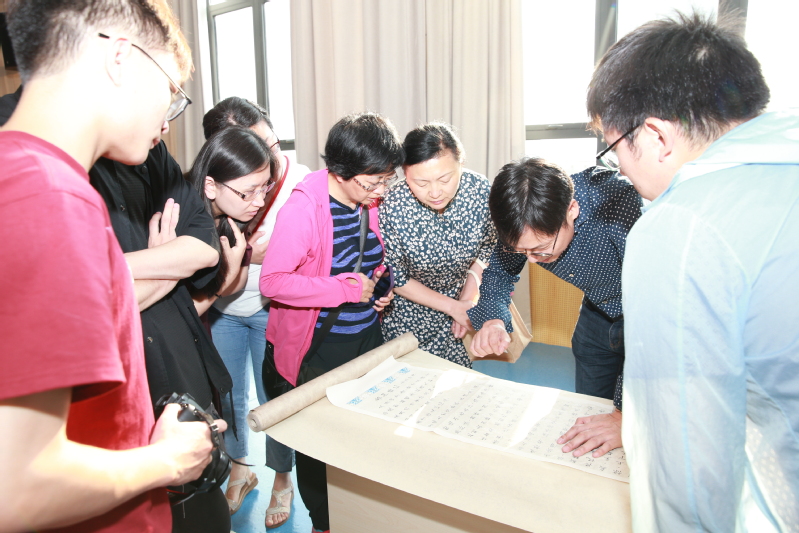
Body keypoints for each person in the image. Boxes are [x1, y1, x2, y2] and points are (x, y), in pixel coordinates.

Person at [0, 1, 225, 532]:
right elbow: (15, 488)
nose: (167, 121)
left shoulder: (25, 178)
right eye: (170, 91)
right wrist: (168, 460)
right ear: (121, 58)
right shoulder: (47, 197)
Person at [587, 12, 798, 531]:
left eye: (613, 151)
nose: (621, 172)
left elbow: (687, 473)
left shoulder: (679, 228)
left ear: (655, 135)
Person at [260, 112, 402, 533]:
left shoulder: (368, 201)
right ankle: (323, 523)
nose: (380, 192)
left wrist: (381, 287)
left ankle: (361, 517)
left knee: (364, 438)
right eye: (372, 183)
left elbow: (370, 259)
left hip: (365, 338)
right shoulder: (303, 209)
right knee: (319, 448)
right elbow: (273, 282)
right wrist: (343, 289)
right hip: (317, 349)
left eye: (386, 181)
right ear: (340, 173)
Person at [468, 158, 642, 457]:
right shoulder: (523, 217)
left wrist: (624, 414)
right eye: (521, 250)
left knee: (633, 419)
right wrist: (493, 319)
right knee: (590, 410)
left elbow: (656, 319)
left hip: (646, 315)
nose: (531, 259)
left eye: (541, 249)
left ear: (571, 210)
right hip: (596, 314)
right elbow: (499, 272)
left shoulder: (621, 206)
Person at [202, 97, 309, 526]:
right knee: (227, 396)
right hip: (223, 307)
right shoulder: (208, 189)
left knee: (275, 397)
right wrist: (246, 252)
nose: (269, 161)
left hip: (273, 308)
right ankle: (240, 468)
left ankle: (282, 477)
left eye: (271, 143)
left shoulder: (300, 181)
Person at [379, 123, 497, 367]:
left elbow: (488, 247)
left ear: (461, 164)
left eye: (445, 179)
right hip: (407, 318)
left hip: (458, 315)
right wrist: (453, 307)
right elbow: (395, 275)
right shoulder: (392, 204)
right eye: (421, 183)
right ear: (405, 174)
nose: (435, 192)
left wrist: (467, 299)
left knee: (457, 382)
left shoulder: (479, 190)